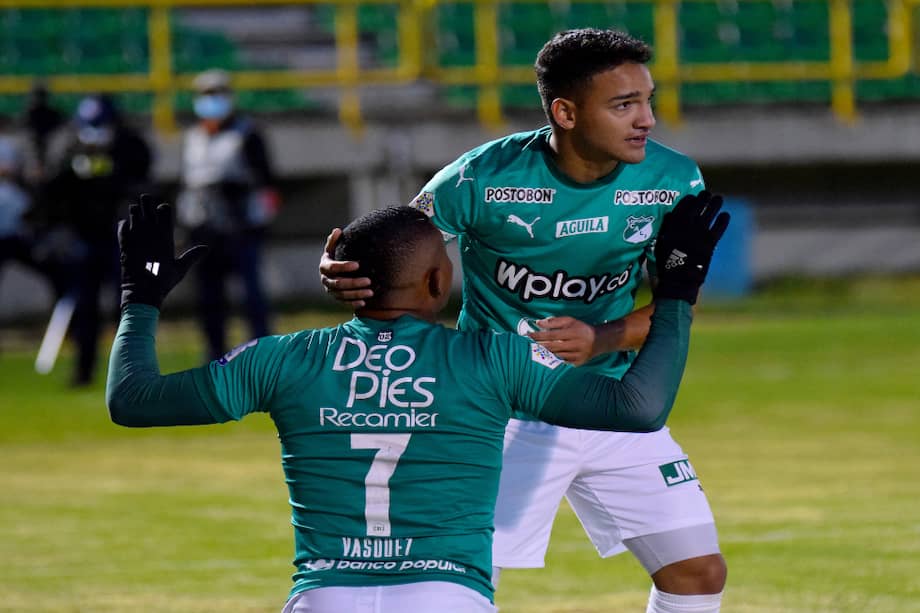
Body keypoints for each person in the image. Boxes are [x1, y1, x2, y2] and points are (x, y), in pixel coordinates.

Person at [106, 195, 727, 612]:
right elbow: (639, 407)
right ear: (437, 283)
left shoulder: (281, 359)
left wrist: (140, 299)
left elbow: (131, 400)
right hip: (446, 597)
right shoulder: (493, 360)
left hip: (326, 597)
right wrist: (674, 293)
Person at [321, 28, 729, 612]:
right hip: (503, 411)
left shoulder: (673, 181)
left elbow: (676, 307)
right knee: (451, 577)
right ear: (565, 112)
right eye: (623, 105)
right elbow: (393, 251)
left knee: (696, 571)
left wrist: (602, 338)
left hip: (612, 402)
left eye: (647, 100)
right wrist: (337, 262)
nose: (647, 120)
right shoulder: (481, 178)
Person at [40, 94, 152, 385]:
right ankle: (84, 371)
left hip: (121, 239)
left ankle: (128, 371)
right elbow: (53, 192)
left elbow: (143, 187)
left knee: (125, 307)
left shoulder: (130, 146)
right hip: (84, 239)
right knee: (85, 308)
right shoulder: (70, 148)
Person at [176, 68, 279, 361]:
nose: (212, 101)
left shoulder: (247, 134)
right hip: (203, 226)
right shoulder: (194, 137)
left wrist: (258, 221)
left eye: (217, 94)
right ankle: (213, 353)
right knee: (209, 296)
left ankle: (262, 354)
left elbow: (266, 183)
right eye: (206, 95)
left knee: (251, 293)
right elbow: (189, 183)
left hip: (240, 224)